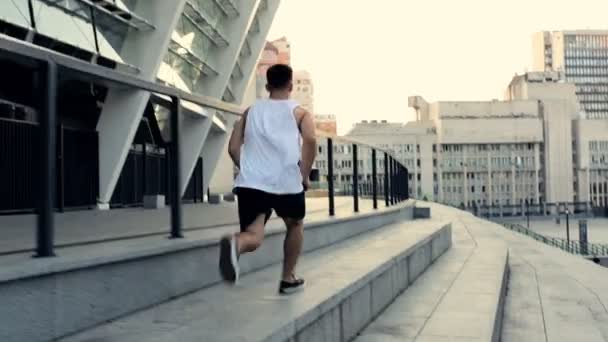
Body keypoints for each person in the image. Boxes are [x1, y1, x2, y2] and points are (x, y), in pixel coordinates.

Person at [219, 64, 317, 294]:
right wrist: (304, 174)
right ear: (291, 86)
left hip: (251, 184)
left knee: (253, 236)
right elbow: (311, 140)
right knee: (294, 224)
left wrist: (249, 170)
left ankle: (236, 244)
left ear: (267, 86)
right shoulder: (300, 113)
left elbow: (233, 148)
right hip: (286, 182)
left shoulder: (250, 112)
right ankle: (288, 278)